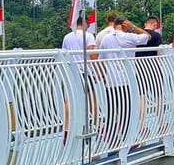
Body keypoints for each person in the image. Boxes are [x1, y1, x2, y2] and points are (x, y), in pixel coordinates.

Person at [99, 16, 151, 148]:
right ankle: (129, 139)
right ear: (124, 24)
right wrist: (133, 27)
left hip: (110, 81)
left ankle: (111, 139)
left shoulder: (106, 38)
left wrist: (102, 76)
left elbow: (102, 60)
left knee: (111, 111)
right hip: (126, 81)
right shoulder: (128, 37)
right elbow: (147, 36)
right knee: (127, 111)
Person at [61, 16, 97, 145]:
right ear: (86, 23)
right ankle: (94, 125)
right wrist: (97, 70)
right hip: (84, 71)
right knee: (91, 99)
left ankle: (66, 129)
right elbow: (92, 55)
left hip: (71, 71)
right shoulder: (88, 36)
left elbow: (63, 54)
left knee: (69, 100)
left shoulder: (67, 37)